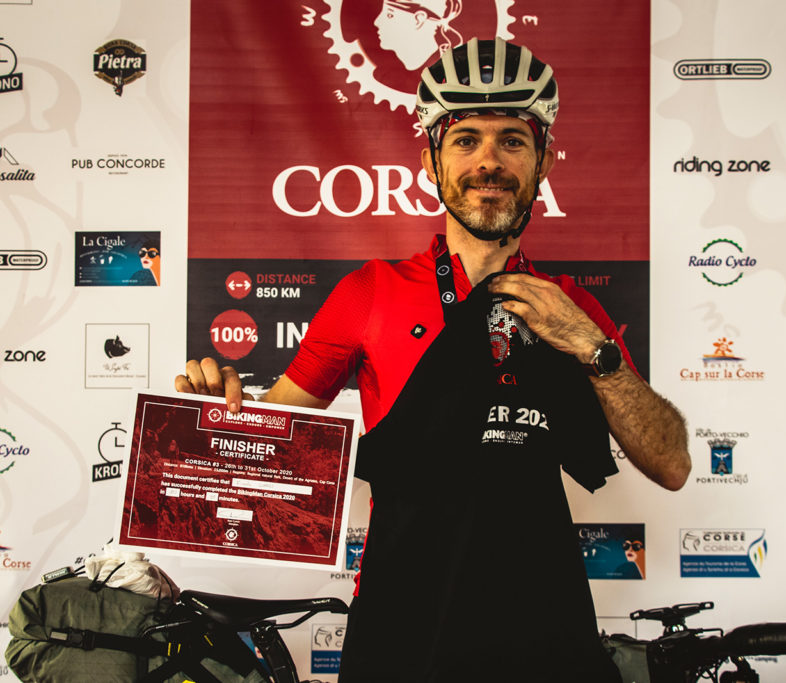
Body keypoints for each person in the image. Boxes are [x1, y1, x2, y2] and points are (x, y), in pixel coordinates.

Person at [176, 37, 690, 681]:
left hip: (544, 622)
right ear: (430, 161)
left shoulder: (572, 306)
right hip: (404, 619)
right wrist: (214, 416)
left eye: (512, 140)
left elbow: (671, 464)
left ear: (544, 162)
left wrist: (591, 346)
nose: (489, 161)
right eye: (465, 139)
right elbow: (271, 437)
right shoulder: (370, 291)